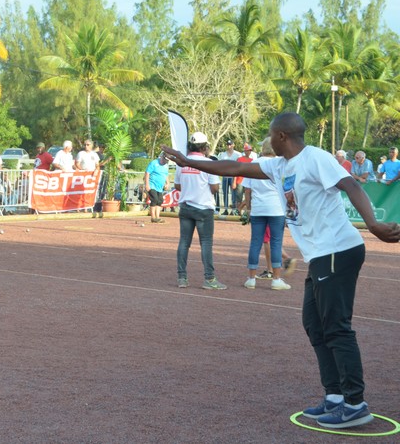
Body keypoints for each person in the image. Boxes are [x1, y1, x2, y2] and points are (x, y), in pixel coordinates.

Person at [162, 112, 400, 430]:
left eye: (272, 134)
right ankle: (334, 397)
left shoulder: (316, 158)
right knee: (315, 325)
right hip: (320, 255)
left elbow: (351, 187)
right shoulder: (279, 165)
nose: (269, 139)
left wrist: (373, 224)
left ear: (283, 136)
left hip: (338, 250)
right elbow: (232, 167)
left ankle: (355, 403)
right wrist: (185, 160)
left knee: (336, 327)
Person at [174, 132, 226, 290]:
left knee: (184, 243)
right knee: (206, 244)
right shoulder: (208, 163)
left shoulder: (182, 163)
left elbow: (177, 185)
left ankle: (182, 278)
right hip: (203, 208)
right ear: (205, 147)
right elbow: (215, 188)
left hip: (185, 207)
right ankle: (209, 279)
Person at [238, 139, 291, 290]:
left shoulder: (253, 164)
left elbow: (247, 190)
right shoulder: (280, 164)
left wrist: (248, 209)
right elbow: (287, 189)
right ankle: (276, 279)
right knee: (276, 243)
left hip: (258, 209)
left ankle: (251, 278)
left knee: (255, 242)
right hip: (276, 209)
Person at [216, 139, 241, 215]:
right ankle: (226, 209)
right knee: (225, 193)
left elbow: (238, 166)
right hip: (225, 176)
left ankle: (233, 210)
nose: (229, 146)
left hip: (233, 176)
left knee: (233, 194)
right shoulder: (223, 154)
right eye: (228, 145)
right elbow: (220, 164)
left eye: (230, 145)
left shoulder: (237, 154)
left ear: (233, 145)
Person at [144, 152, 170, 223]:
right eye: (165, 160)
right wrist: (147, 185)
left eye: (167, 161)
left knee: (160, 200)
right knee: (154, 199)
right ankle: (153, 217)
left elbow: (166, 174)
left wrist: (167, 183)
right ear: (162, 157)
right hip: (152, 185)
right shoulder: (154, 163)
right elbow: (147, 173)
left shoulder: (166, 166)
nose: (166, 162)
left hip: (160, 187)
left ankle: (157, 217)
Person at [232, 143, 256, 215]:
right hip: (240, 180)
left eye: (249, 150)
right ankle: (238, 212)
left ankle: (239, 210)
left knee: (248, 197)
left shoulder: (252, 160)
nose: (248, 152)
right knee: (238, 197)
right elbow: (235, 171)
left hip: (248, 182)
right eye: (247, 150)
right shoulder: (239, 159)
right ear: (244, 151)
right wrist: (234, 181)